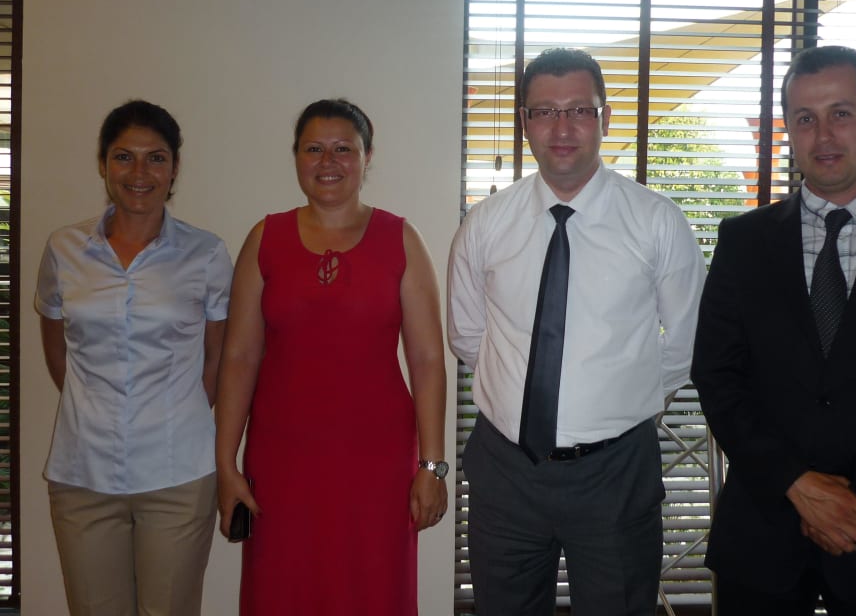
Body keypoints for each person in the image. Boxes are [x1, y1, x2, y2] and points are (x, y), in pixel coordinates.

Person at [691, 44, 856, 615]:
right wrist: (797, 484)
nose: (824, 136)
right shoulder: (743, 242)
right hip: (763, 535)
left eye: (841, 113)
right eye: (805, 119)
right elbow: (717, 376)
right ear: (789, 129)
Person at [447, 48, 706, 615]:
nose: (562, 128)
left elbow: (688, 341)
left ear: (605, 118)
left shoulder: (657, 221)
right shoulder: (486, 223)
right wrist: (519, 397)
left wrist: (621, 401)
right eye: (544, 112)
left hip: (616, 473)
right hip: (506, 471)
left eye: (579, 111)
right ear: (524, 122)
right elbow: (467, 336)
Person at [215, 98, 447, 615]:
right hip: (282, 462)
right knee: (282, 590)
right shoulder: (265, 239)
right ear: (296, 156)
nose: (328, 162)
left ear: (367, 157)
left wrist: (432, 466)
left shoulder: (401, 239)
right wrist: (225, 464)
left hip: (378, 464)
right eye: (313, 149)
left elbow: (428, 360)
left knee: (373, 590)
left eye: (344, 149)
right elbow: (239, 357)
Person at [35, 99, 232, 616]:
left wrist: (177, 414)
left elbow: (218, 357)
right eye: (124, 157)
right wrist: (93, 406)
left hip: (177, 471)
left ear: (175, 167)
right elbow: (56, 343)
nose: (139, 173)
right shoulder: (64, 249)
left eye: (155, 158)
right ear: (103, 163)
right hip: (83, 472)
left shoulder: (206, 254)